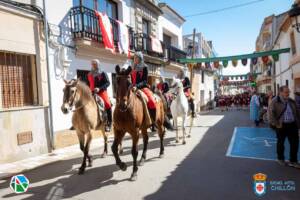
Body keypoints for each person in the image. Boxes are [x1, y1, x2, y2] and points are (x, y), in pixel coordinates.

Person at [131, 52, 173, 130]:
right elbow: (130, 79)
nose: (134, 59)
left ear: (140, 59)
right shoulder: (132, 68)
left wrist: (137, 86)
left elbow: (144, 81)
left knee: (152, 101)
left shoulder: (145, 67)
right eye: (134, 58)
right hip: (132, 88)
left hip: (142, 88)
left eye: (136, 58)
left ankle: (153, 120)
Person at [269, 86, 300, 168]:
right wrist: (276, 124)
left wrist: (298, 123)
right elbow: (270, 114)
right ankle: (280, 159)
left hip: (292, 124)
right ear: (280, 92)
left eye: (288, 92)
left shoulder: (291, 101)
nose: (288, 93)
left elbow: (297, 112)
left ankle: (293, 161)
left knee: (295, 143)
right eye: (286, 92)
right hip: (281, 125)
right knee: (281, 143)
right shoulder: (274, 101)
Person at [87, 59, 112, 132]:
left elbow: (108, 83)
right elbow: (88, 84)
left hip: (102, 92)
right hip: (92, 92)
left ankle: (109, 123)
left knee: (107, 104)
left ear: (98, 65)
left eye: (95, 64)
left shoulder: (103, 73)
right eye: (92, 64)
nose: (94, 65)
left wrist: (99, 88)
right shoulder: (89, 74)